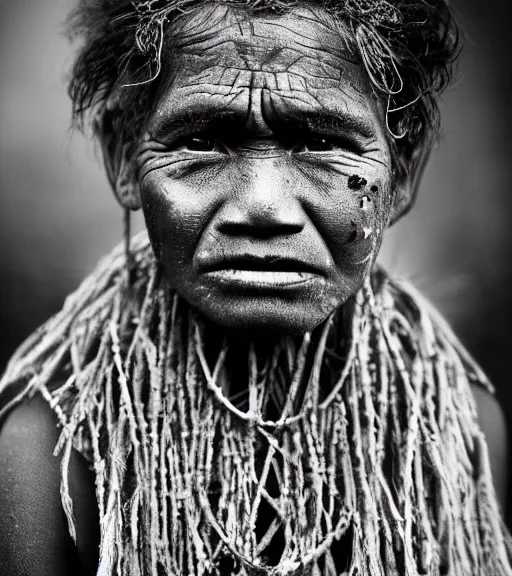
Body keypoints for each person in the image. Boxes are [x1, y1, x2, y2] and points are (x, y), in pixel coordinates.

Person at [0, 0, 510, 574]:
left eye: (320, 143)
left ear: (404, 166)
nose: (262, 206)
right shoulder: (52, 447)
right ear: (124, 154)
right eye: (201, 141)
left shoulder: (452, 427)